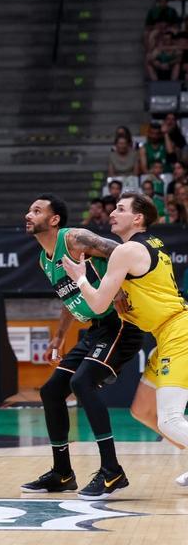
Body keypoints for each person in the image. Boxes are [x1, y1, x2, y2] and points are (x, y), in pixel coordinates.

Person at [65, 192, 188, 497]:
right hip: (167, 332)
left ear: (138, 218)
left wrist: (81, 278)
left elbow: (96, 305)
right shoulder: (150, 244)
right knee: (142, 410)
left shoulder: (126, 251)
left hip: (179, 332)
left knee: (170, 419)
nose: (113, 213)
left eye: (121, 209)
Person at [21, 194, 142, 499]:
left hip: (121, 324)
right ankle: (62, 473)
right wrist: (60, 336)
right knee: (51, 391)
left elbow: (122, 251)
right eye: (29, 210)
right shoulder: (42, 259)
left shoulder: (75, 239)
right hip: (94, 329)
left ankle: (112, 471)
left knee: (82, 381)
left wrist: (116, 286)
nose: (28, 214)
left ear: (54, 220)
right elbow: (70, 298)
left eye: (36, 211)